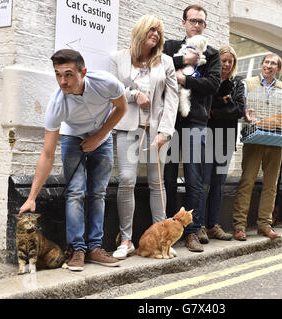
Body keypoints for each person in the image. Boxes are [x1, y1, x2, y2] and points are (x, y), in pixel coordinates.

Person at [19, 49, 128, 271]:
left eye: (68, 74)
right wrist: (32, 197)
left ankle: (95, 248)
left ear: (83, 72)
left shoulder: (106, 83)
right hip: (72, 137)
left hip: (103, 137)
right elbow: (47, 154)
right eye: (58, 75)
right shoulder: (56, 104)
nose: (63, 81)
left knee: (98, 192)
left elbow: (121, 108)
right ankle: (77, 249)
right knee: (76, 191)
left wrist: (98, 137)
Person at [109, 15, 179, 259]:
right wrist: (134, 94)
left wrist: (165, 132)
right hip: (128, 126)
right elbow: (112, 90)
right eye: (152, 30)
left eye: (159, 32)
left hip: (156, 129)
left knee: (156, 183)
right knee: (126, 179)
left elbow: (172, 99)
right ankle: (126, 239)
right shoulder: (118, 58)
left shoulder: (166, 62)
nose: (156, 35)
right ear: (140, 31)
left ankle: (162, 237)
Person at [163, 4, 221, 252]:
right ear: (184, 22)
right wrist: (182, 61)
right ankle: (167, 228)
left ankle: (192, 231)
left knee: (194, 178)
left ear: (205, 26)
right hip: (169, 121)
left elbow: (213, 84)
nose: (197, 25)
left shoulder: (211, 53)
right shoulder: (170, 47)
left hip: (196, 122)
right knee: (167, 178)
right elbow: (158, 66)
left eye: (201, 22)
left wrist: (185, 78)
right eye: (193, 20)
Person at [232, 53, 282, 241]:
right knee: (247, 182)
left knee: (271, 185)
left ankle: (265, 224)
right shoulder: (248, 84)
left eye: (274, 64)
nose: (269, 66)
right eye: (267, 62)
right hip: (253, 139)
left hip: (275, 141)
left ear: (278, 69)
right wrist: (245, 117)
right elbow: (241, 110)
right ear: (261, 65)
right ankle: (239, 226)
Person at [199, 44, 245, 242]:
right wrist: (223, 102)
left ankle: (213, 224)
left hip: (226, 138)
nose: (226, 64)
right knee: (204, 183)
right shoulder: (211, 80)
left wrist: (215, 111)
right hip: (208, 137)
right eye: (223, 60)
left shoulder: (237, 84)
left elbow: (239, 109)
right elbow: (203, 107)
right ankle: (199, 225)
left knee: (218, 184)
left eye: (230, 61)